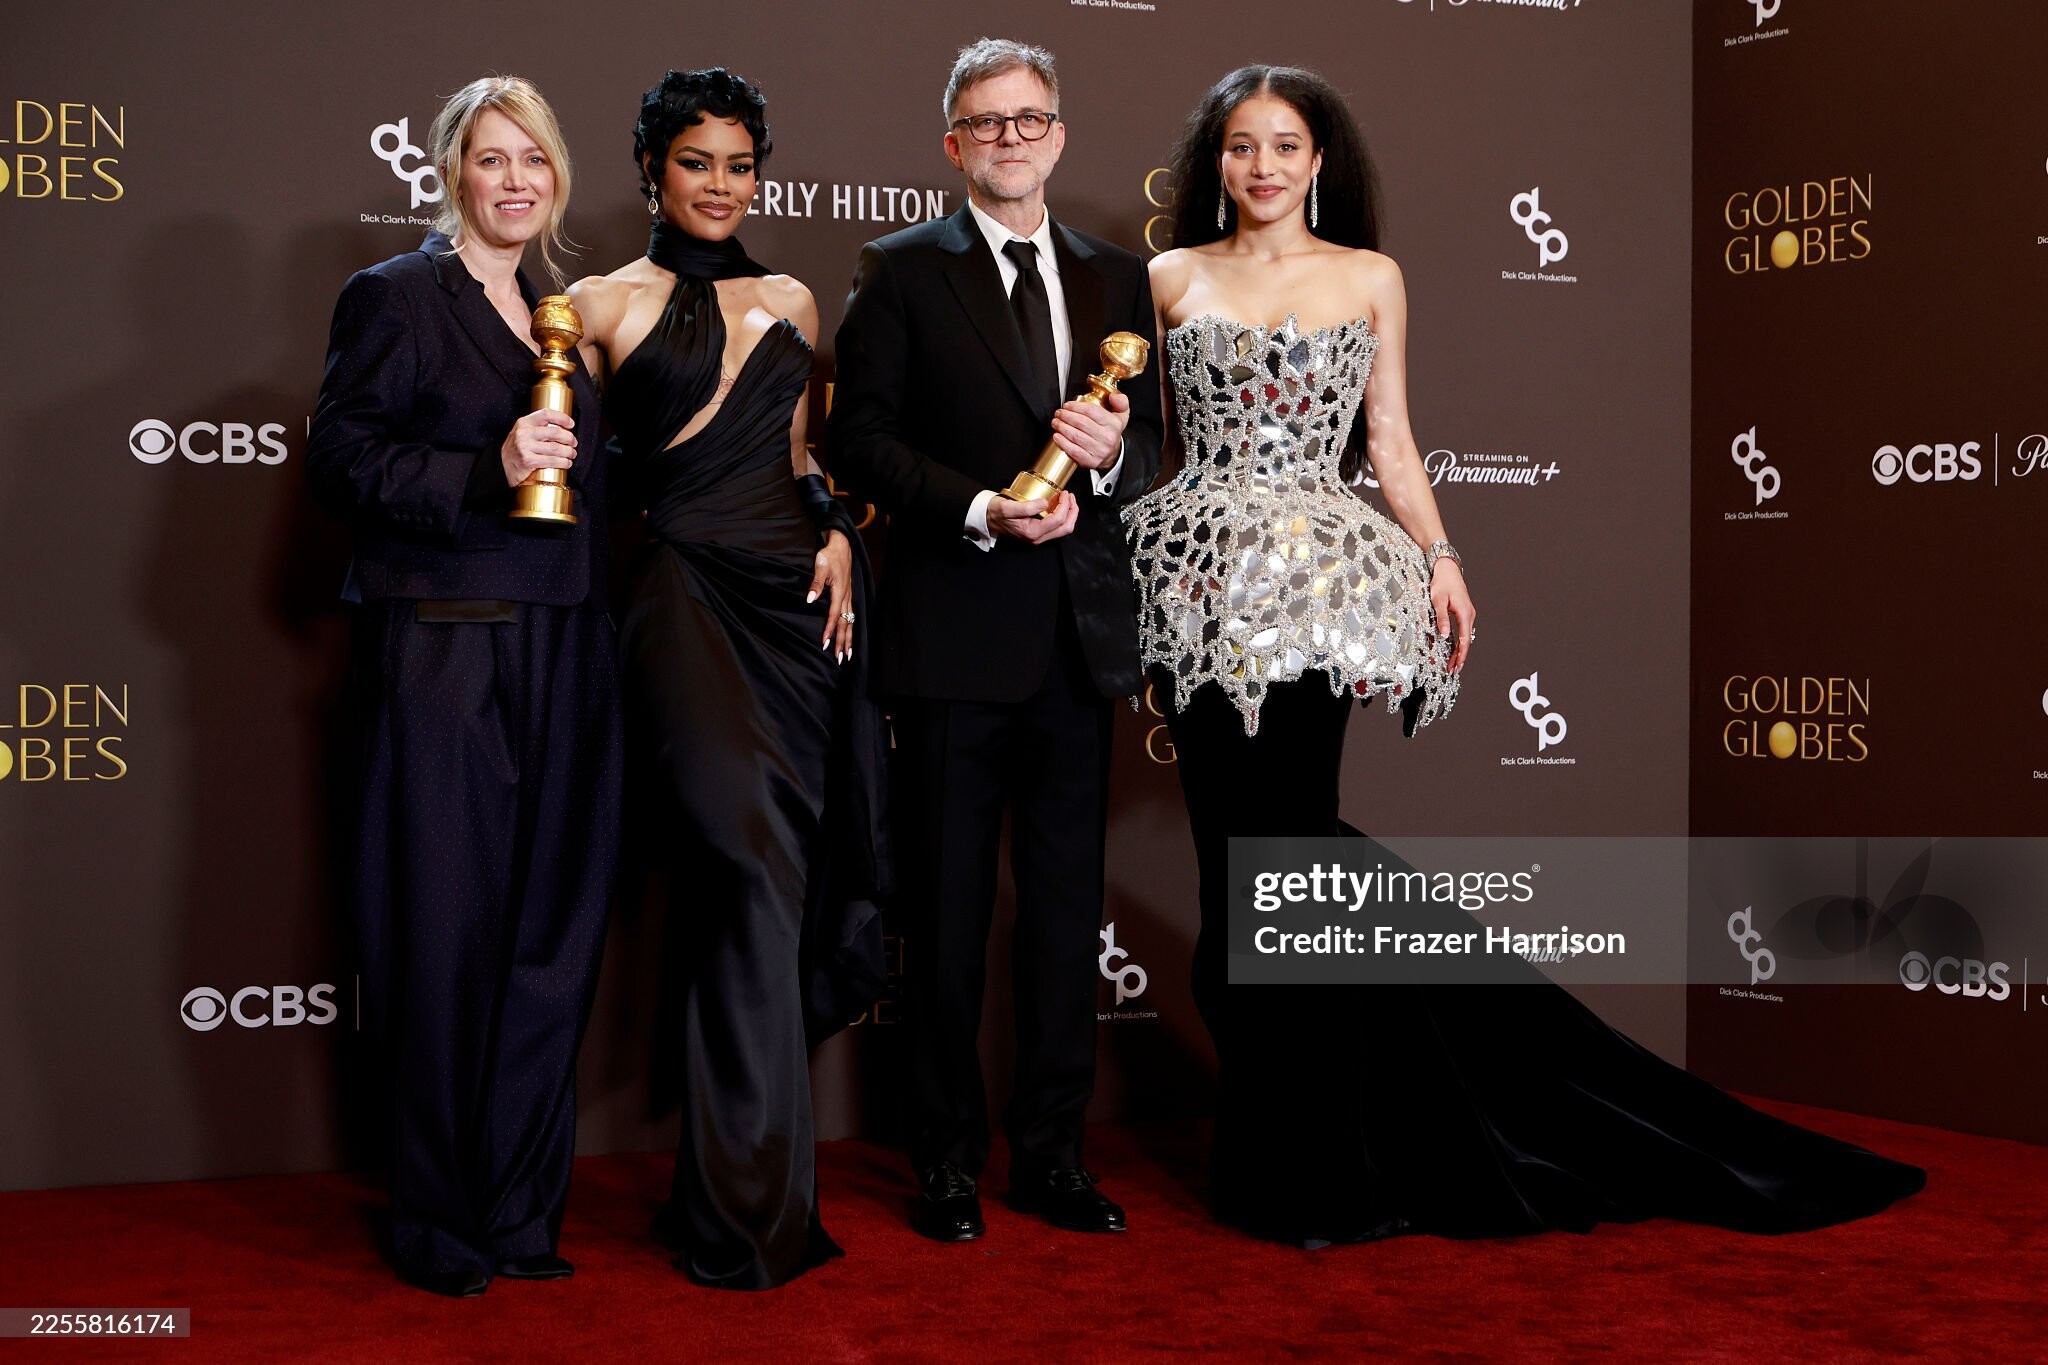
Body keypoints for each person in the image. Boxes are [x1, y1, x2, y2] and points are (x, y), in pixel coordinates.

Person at [1129, 64, 1924, 1245]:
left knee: (1285, 871)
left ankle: (1317, 1172)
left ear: (1318, 159)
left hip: (1316, 598)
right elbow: (1152, 447)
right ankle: (1286, 1158)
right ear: (1215, 159)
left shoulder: (1369, 276)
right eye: (1242, 145)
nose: (1262, 167)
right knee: (1230, 880)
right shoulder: (1167, 277)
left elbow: (1389, 440)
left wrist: (1440, 558)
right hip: (1196, 592)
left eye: (1285, 145)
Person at [830, 38, 1164, 1243]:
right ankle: (945, 1161)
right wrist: (979, 506)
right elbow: (858, 441)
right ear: (952, 144)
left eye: (1028, 119)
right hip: (952, 639)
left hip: (1074, 643)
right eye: (985, 121)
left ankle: (1053, 1159)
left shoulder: (1117, 277)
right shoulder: (900, 268)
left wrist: (1111, 462)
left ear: (1058, 135)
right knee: (948, 916)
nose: (1009, 137)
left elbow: (1155, 444)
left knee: (1064, 918)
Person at [566, 67, 887, 1291]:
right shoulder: (595, 304)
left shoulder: (791, 296)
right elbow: (576, 480)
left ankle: (730, 1193)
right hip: (680, 599)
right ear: (652, 169)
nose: (719, 185)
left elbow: (800, 457)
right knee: (741, 866)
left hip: (791, 612)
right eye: (695, 162)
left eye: (738, 165)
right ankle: (750, 1208)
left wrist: (838, 530)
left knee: (770, 893)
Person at [306, 76, 619, 1298]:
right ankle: (438, 1224)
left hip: (566, 644)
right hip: (444, 648)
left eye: (532, 159)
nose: (515, 181)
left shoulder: (560, 311)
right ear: (450, 172)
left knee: (549, 943)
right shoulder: (394, 294)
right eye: (492, 159)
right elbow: (342, 458)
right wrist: (486, 462)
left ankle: (520, 1215)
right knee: (444, 940)